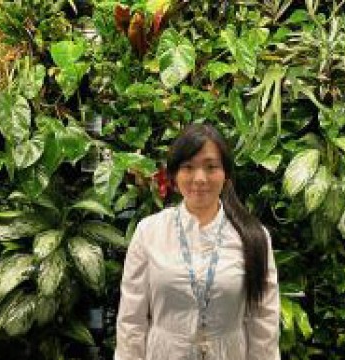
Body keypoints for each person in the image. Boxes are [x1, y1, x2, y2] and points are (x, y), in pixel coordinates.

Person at [114, 123, 280, 360]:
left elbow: (264, 321)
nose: (200, 178)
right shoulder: (149, 232)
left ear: (226, 174)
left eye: (211, 167)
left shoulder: (253, 237)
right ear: (174, 174)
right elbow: (132, 320)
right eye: (188, 167)